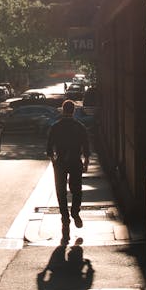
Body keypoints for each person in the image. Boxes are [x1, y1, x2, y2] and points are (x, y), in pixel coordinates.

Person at [46, 99, 90, 244]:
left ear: (63, 110)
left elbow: (49, 147)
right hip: (75, 161)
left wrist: (54, 160)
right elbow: (86, 146)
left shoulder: (56, 127)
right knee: (77, 189)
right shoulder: (80, 127)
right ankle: (75, 212)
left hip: (60, 163)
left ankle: (65, 218)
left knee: (61, 191)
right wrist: (86, 162)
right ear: (73, 111)